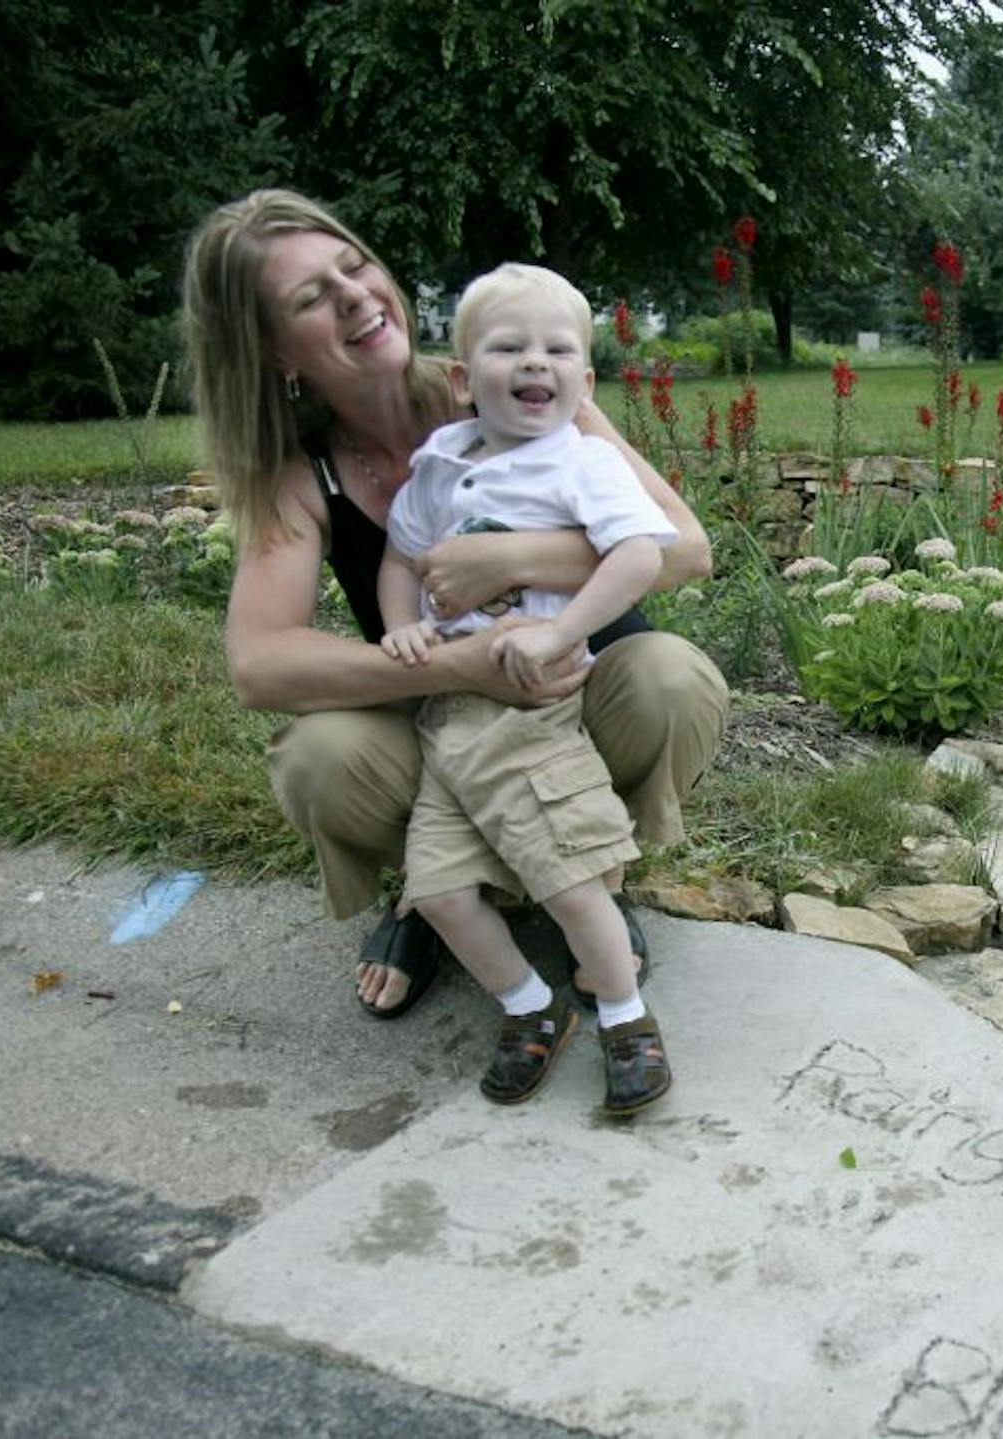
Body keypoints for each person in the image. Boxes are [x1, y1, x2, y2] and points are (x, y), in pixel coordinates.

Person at [180, 190, 726, 1031]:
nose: (355, 295)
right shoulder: (304, 473)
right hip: (451, 714)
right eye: (311, 299)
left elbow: (685, 548)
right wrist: (457, 663)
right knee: (319, 757)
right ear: (274, 352)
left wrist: (508, 558)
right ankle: (434, 891)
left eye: (352, 265)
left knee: (671, 678)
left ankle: (597, 877)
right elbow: (260, 664)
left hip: (578, 688)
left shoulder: (519, 375)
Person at [378, 261, 675, 1113]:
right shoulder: (438, 463)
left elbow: (641, 553)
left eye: (557, 350)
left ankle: (624, 1016)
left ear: (584, 379)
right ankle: (530, 1006)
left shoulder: (580, 462)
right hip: (447, 719)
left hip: (532, 705)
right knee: (436, 891)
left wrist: (559, 627)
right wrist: (402, 620)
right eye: (510, 347)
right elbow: (404, 554)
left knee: (570, 879)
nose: (535, 363)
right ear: (465, 379)